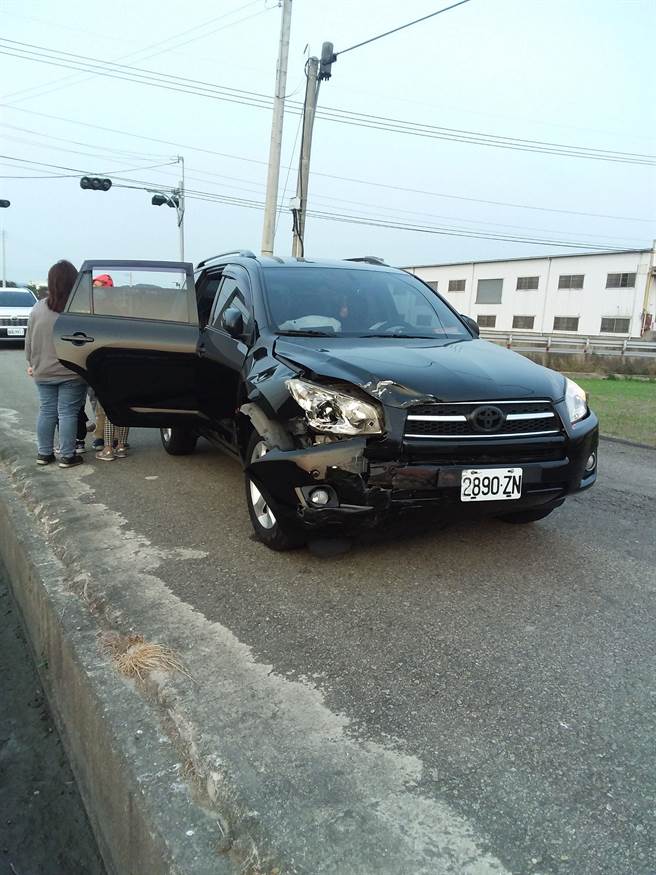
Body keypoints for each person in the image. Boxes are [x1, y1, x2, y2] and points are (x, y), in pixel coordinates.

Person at [25, 260, 88, 469]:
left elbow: (29, 340)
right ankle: (68, 456)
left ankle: (44, 454)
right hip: (71, 371)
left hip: (43, 370)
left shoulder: (38, 308)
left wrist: (31, 363)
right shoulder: (78, 308)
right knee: (67, 412)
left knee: (47, 411)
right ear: (74, 281)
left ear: (51, 282)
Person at [89, 273, 130, 460]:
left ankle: (107, 447)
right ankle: (120, 445)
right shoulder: (120, 310)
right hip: (118, 362)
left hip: (104, 363)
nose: (96, 291)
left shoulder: (99, 310)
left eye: (99, 287)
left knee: (105, 406)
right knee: (117, 405)